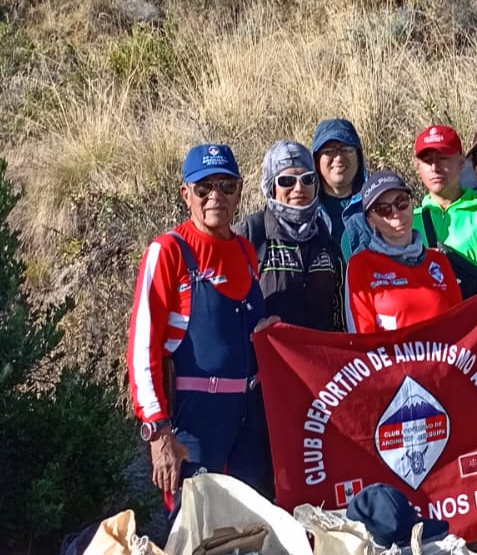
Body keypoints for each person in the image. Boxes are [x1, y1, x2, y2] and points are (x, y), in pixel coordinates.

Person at [128, 144, 277, 503]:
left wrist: (269, 333)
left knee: (252, 533)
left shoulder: (245, 252)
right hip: (194, 423)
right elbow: (141, 349)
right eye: (203, 188)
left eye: (226, 186)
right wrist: (158, 430)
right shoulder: (168, 253)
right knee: (194, 536)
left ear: (240, 190)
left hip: (248, 420)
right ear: (186, 194)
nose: (215, 197)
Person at [235, 140, 344, 332]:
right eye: (287, 181)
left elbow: (340, 308)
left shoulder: (326, 237)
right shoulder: (249, 234)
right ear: (271, 187)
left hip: (319, 359)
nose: (299, 188)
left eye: (307, 179)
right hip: (264, 358)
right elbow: (225, 305)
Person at [345, 169, 461, 332]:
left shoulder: (439, 261)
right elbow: (360, 341)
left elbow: (461, 323)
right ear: (371, 220)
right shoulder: (361, 266)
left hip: (442, 356)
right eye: (383, 209)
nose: (396, 214)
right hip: (390, 357)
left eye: (401, 202)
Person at [412, 125, 477, 288]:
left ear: (461, 162)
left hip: (475, 312)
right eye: (427, 160)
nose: (434, 167)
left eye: (443, 158)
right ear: (418, 168)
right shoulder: (410, 220)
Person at [311, 118, 367, 250]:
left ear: (359, 158)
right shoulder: (305, 210)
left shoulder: (377, 204)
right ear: (316, 161)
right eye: (329, 151)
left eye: (347, 150)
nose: (339, 158)